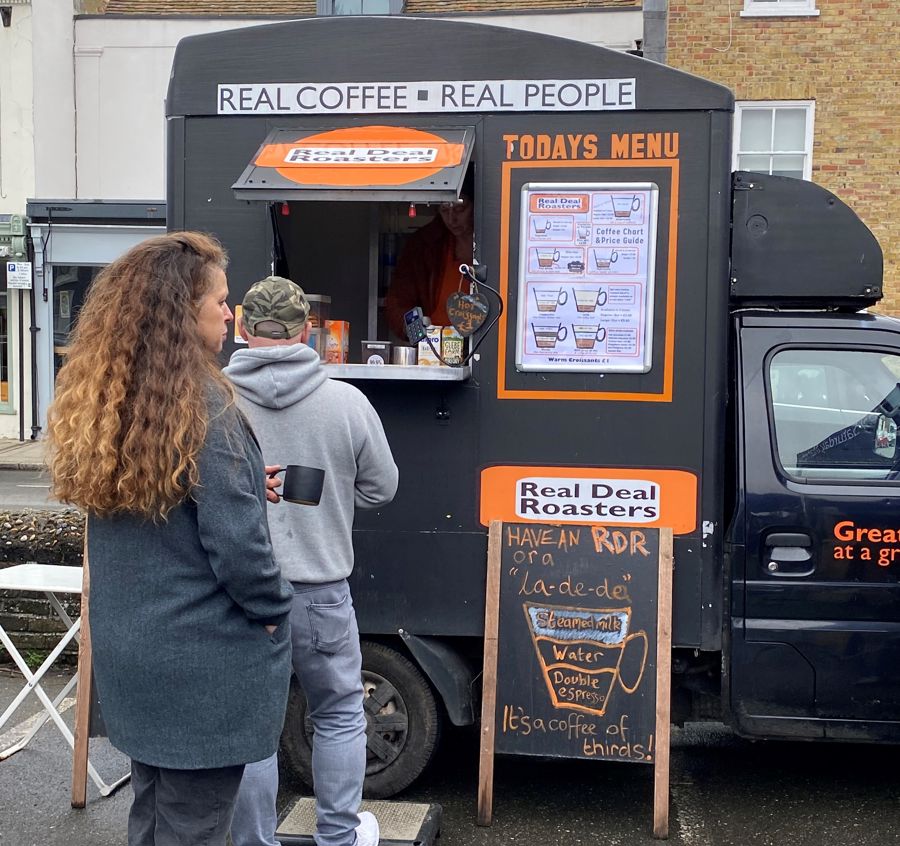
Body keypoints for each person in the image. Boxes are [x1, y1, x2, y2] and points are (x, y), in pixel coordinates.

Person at [46, 232, 294, 846]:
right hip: (201, 668)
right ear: (185, 312)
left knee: (153, 818)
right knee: (197, 827)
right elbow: (240, 551)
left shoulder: (118, 402)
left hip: (138, 657)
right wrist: (273, 610)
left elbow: (166, 506)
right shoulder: (208, 409)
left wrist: (235, 480)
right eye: (220, 301)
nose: (230, 314)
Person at [225, 276, 399, 846]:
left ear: (242, 328)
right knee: (340, 713)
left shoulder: (211, 400)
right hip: (321, 592)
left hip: (239, 592)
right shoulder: (345, 400)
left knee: (252, 727)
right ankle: (339, 838)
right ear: (307, 331)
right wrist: (334, 496)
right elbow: (384, 488)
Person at [384, 188, 474, 339]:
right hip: (433, 347)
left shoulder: (497, 242)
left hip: (482, 345)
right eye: (444, 210)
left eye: (460, 209)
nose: (452, 219)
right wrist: (412, 327)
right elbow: (398, 300)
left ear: (477, 206)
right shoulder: (425, 244)